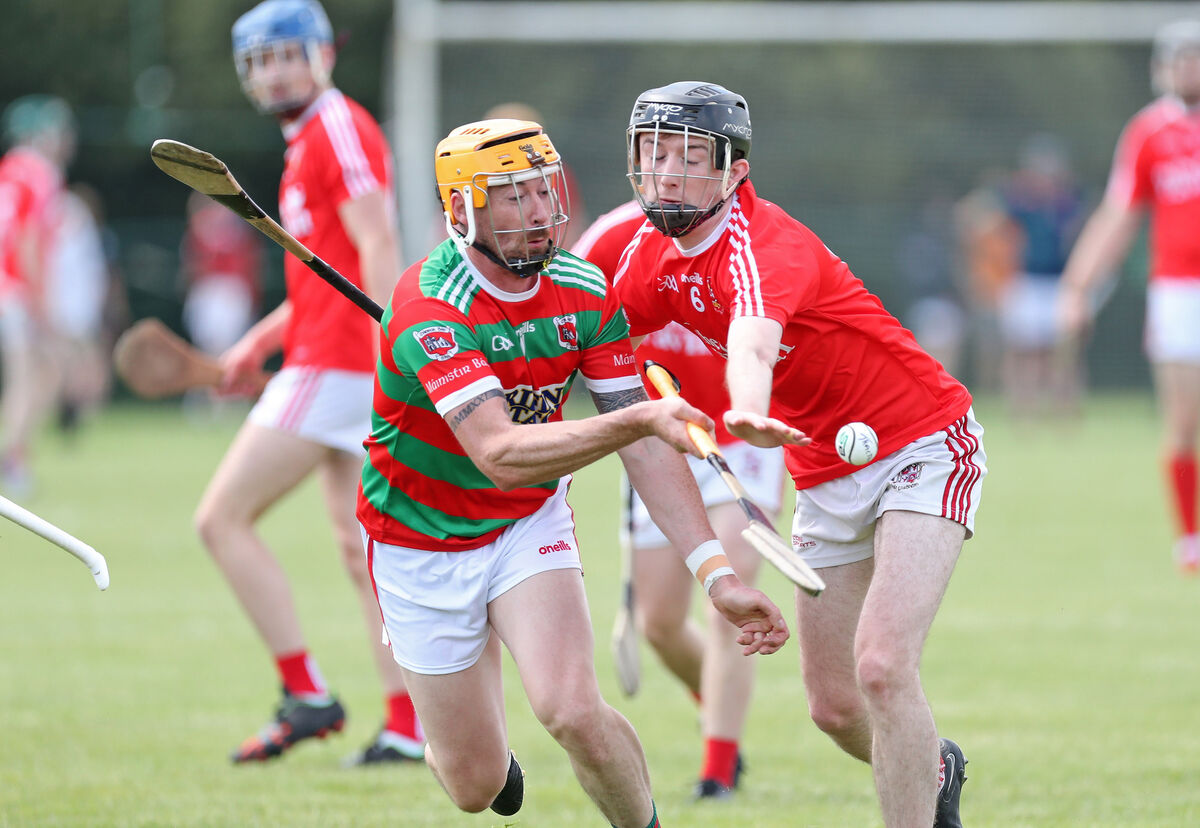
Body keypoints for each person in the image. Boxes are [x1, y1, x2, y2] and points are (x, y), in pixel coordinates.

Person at [356, 117, 790, 827]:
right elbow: (498, 454)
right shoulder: (429, 308)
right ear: (462, 210)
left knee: (574, 711)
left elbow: (648, 450)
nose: (537, 211)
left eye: (541, 190)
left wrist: (717, 575)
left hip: (526, 523)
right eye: (511, 196)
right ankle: (463, 752)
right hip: (417, 545)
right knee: (473, 785)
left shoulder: (585, 291)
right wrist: (638, 420)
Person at [612, 81, 987, 828]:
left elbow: (752, 339)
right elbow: (582, 334)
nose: (669, 173)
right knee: (836, 707)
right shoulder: (652, 258)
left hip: (922, 441)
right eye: (655, 154)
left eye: (691, 156)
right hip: (825, 473)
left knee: (881, 667)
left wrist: (745, 408)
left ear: (735, 171)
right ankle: (933, 763)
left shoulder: (760, 243)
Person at [193, 0, 422, 766]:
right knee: (363, 552)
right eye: (257, 61)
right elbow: (329, 275)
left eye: (286, 54)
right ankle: (407, 723)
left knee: (220, 519)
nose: (273, 72)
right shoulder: (306, 142)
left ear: (323, 53)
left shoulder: (336, 126)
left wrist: (399, 353)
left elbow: (377, 240)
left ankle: (306, 693)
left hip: (341, 365)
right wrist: (262, 337)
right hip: (328, 354)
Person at [574, 200, 787, 800]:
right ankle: (713, 706)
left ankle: (718, 767)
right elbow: (569, 319)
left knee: (733, 582)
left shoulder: (746, 237)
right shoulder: (611, 239)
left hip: (738, 431)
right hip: (662, 440)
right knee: (661, 623)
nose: (674, 170)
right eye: (660, 153)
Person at [1059, 19, 1200, 574]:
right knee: (1182, 421)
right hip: (1177, 294)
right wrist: (1078, 287)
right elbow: (1119, 216)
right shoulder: (1149, 132)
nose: (1187, 67)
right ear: (1161, 68)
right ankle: (1191, 539)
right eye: (1179, 58)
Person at [0, 94, 75, 494]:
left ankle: (15, 452)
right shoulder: (40, 173)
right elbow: (28, 240)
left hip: (7, 286)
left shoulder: (9, 168)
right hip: (16, 287)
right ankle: (13, 457)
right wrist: (41, 299)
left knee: (36, 373)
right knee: (29, 376)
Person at [998, 134, 1085, 418]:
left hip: (1059, 283)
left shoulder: (1067, 204)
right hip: (1028, 282)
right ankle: (1025, 410)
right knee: (1025, 350)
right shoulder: (1022, 202)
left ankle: (1064, 411)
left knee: (1063, 352)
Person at [180, 190, 263, 359]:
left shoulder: (205, 224)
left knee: (219, 351)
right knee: (220, 351)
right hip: (215, 292)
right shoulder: (236, 222)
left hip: (227, 292)